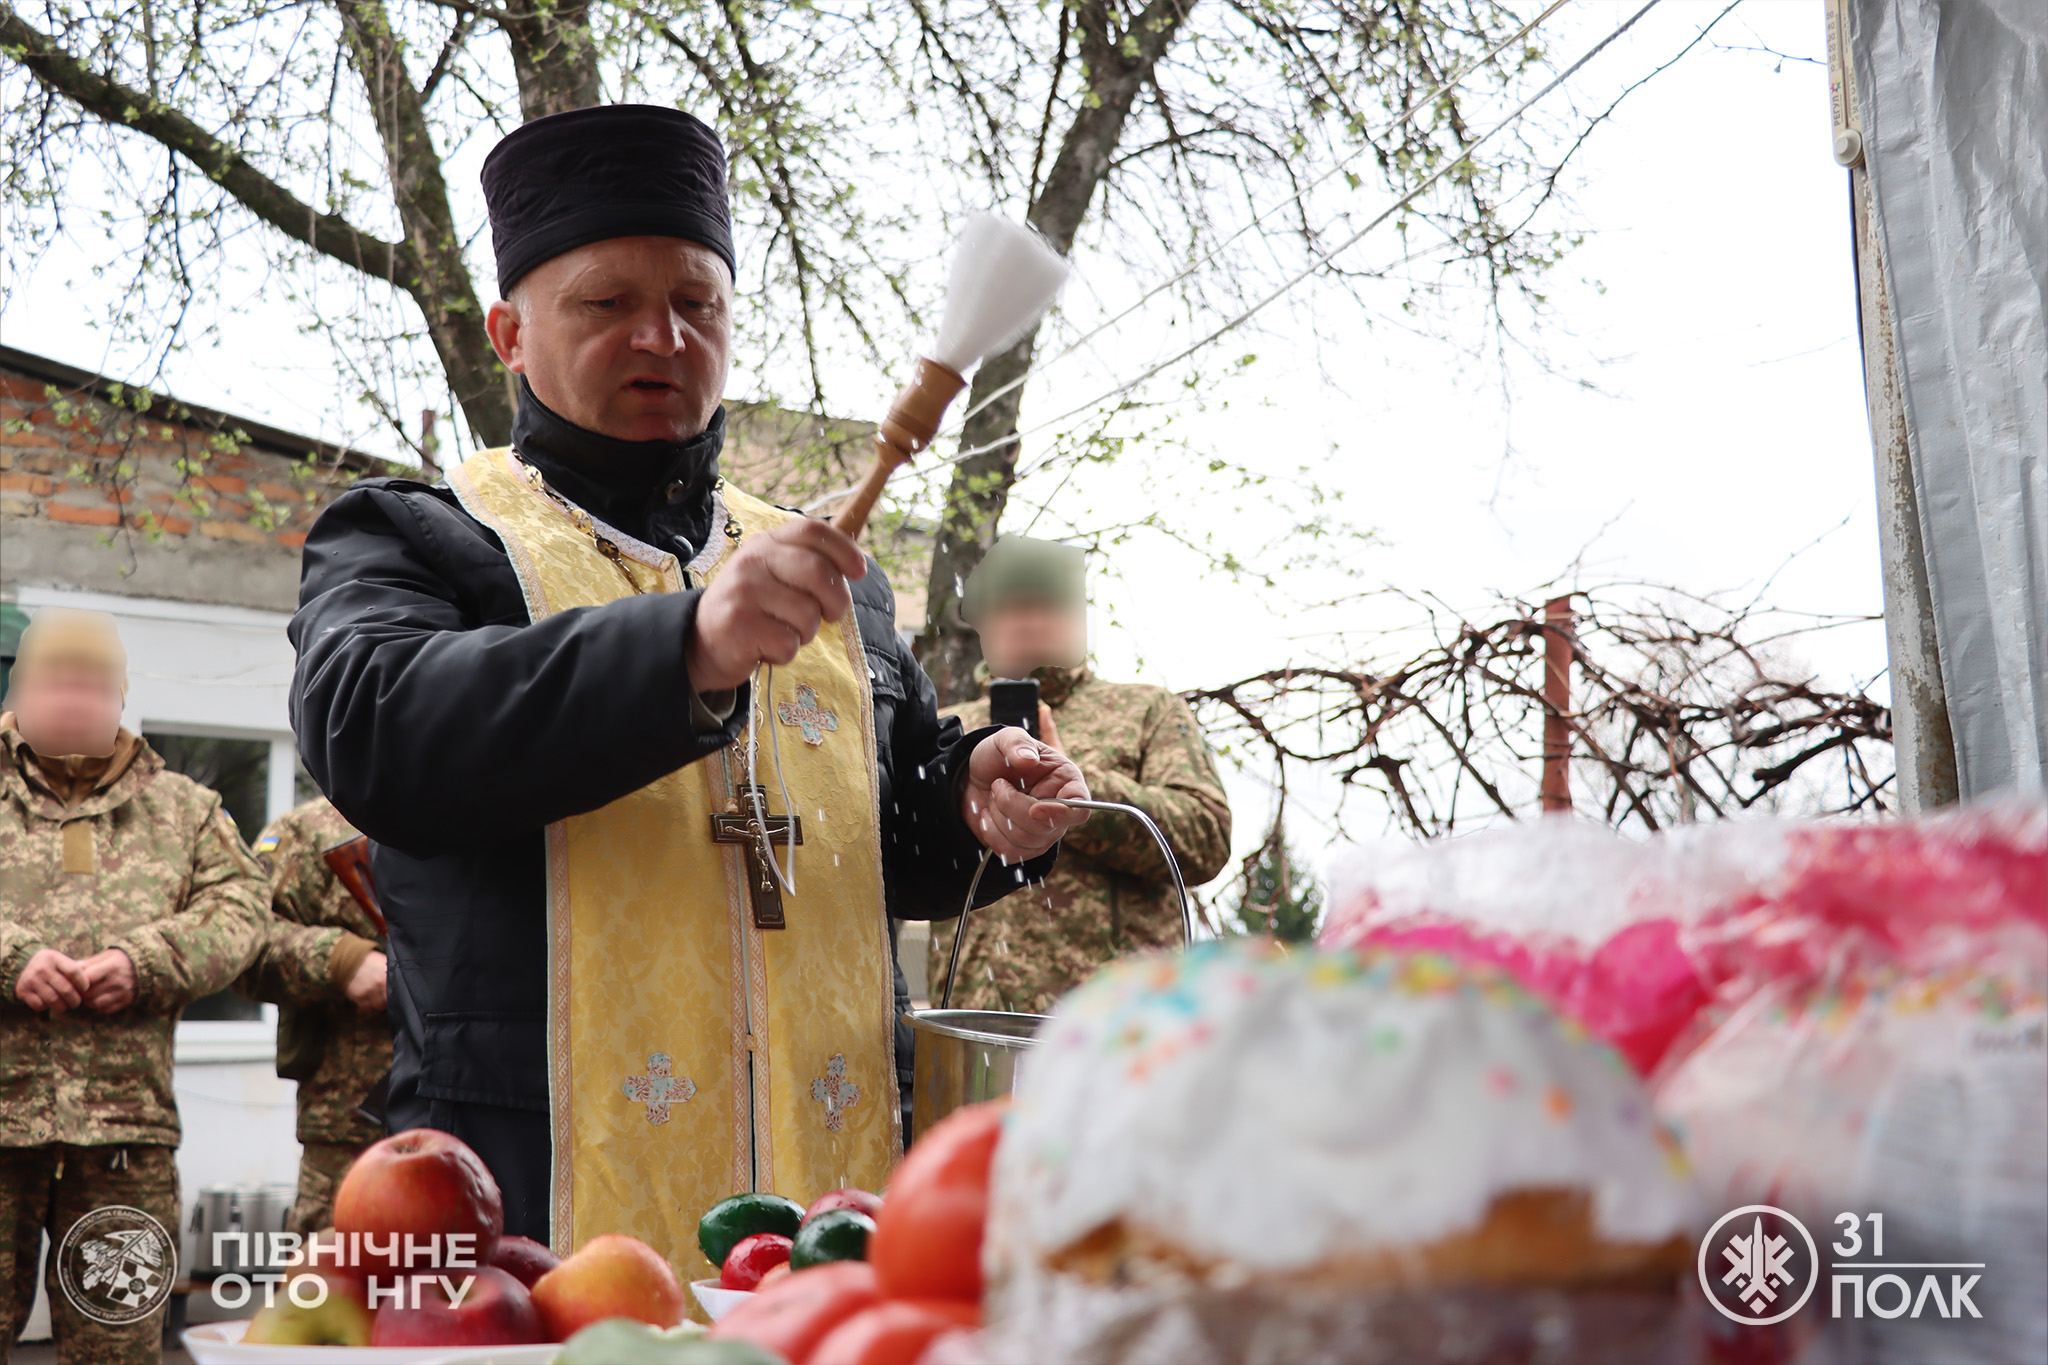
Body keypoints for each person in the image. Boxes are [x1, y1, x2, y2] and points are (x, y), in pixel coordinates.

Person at [287, 105, 1089, 1266]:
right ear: (510, 334)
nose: (661, 338)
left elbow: (889, 842)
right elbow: (380, 737)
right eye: (607, 304)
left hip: (832, 1209)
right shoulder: (418, 537)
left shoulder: (833, 577)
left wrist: (975, 798)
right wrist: (687, 648)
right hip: (533, 1205)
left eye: (696, 304)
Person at [0, 608, 269, 1365]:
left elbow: (242, 911)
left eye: (93, 683)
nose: (75, 698)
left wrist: (148, 961)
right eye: (57, 680)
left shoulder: (186, 810)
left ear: (120, 695)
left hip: (126, 1141)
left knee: (117, 1348)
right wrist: (9, 957)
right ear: (20, 689)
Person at [932, 536, 1232, 1013]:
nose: (1026, 622)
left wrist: (1079, 786)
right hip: (975, 1021)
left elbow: (1207, 837)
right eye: (1008, 607)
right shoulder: (947, 727)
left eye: (1044, 605)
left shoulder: (1146, 709)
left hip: (1117, 1029)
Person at [234, 796, 390, 1234]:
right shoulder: (311, 831)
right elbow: (241, 943)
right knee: (337, 1287)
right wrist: (341, 960)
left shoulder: (494, 815)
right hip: (353, 1128)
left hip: (486, 1111)